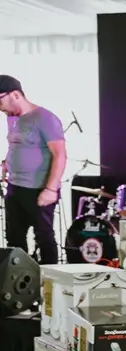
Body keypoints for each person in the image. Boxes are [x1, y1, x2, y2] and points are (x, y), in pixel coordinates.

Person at [0, 75, 66, 265]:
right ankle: (19, 277)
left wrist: (51, 189)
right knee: (14, 237)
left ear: (15, 94)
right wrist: (7, 163)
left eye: (0, 100)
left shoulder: (45, 118)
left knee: (43, 236)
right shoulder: (12, 117)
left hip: (38, 188)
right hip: (15, 186)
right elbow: (17, 144)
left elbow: (60, 155)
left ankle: (50, 277)